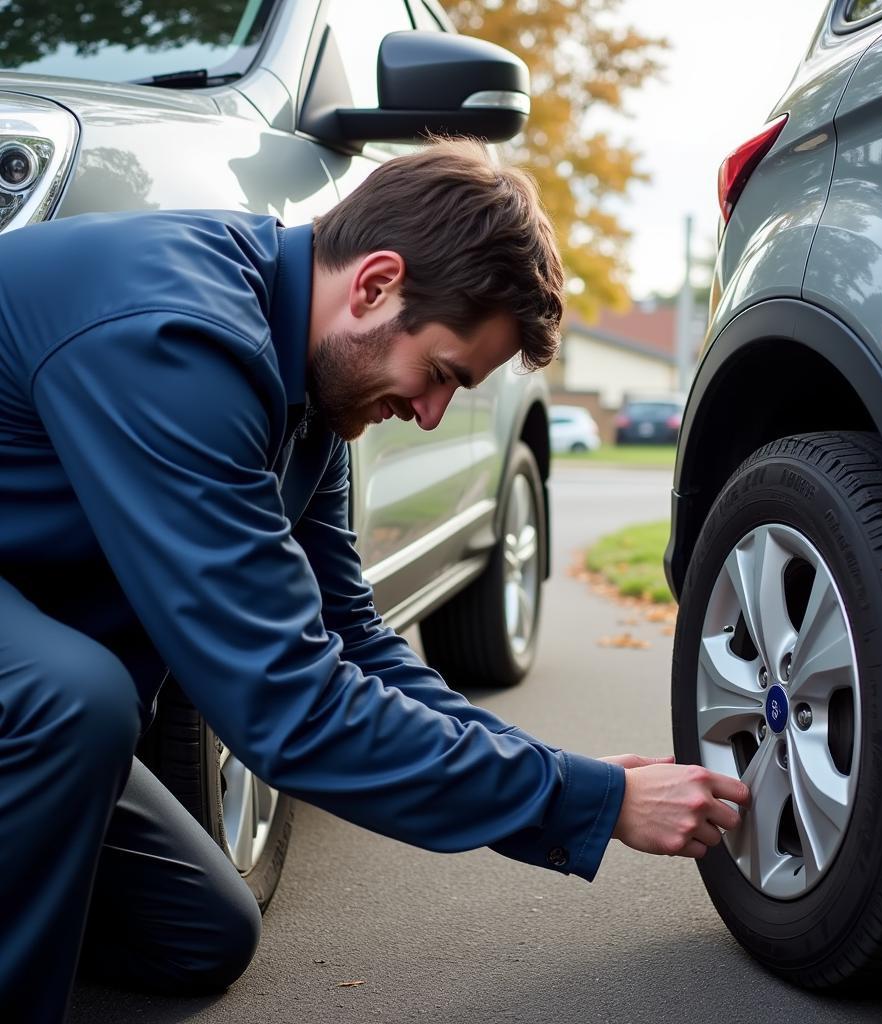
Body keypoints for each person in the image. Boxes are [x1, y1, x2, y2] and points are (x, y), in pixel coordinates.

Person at [0, 138, 749, 1021]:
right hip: (45, 694)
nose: (430, 415)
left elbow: (352, 642)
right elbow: (289, 706)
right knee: (72, 699)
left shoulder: (311, 393)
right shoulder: (176, 341)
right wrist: (596, 804)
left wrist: (567, 774)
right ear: (374, 284)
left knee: (199, 934)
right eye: (438, 375)